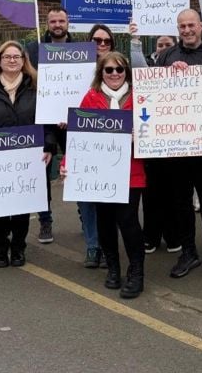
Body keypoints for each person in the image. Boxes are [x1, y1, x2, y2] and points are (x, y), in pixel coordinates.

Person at [62, 52, 147, 298]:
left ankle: (136, 272)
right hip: (100, 175)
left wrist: (139, 138)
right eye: (109, 70)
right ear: (101, 73)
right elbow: (78, 137)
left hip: (132, 170)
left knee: (129, 222)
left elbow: (152, 128)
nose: (114, 74)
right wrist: (67, 163)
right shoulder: (91, 97)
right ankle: (113, 268)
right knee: (105, 222)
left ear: (126, 72)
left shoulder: (140, 97)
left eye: (119, 69)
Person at [154, 8, 202, 279]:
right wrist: (168, 74)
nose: (186, 30)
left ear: (201, 26)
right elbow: (153, 93)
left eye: (191, 25)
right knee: (180, 201)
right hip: (176, 146)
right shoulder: (166, 56)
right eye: (182, 26)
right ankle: (189, 252)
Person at [0, 41, 54, 268]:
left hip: (28, 159)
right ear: (0, 60)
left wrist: (49, 146)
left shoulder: (36, 88)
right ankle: (1, 246)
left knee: (22, 207)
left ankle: (18, 247)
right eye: (7, 57)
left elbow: (48, 122)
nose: (12, 60)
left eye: (17, 56)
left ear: (24, 61)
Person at [129, 24, 181, 255]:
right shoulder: (148, 67)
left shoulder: (181, 69)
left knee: (172, 192)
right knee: (150, 194)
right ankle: (150, 237)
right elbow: (137, 65)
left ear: (175, 46)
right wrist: (135, 41)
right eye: (159, 45)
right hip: (149, 141)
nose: (162, 48)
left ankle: (172, 236)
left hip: (174, 141)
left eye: (167, 44)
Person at [23, 6, 72, 245]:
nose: (57, 25)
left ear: (68, 22)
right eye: (53, 21)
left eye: (61, 20)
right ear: (47, 24)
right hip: (43, 119)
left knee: (78, 167)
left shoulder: (80, 50)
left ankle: (86, 218)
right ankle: (45, 220)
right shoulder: (33, 51)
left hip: (72, 119)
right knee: (42, 170)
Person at [73, 23, 116, 268]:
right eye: (96, 41)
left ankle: (109, 247)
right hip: (84, 140)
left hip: (115, 146)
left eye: (106, 41)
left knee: (110, 202)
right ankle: (93, 246)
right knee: (87, 198)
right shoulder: (74, 67)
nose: (101, 45)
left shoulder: (120, 70)